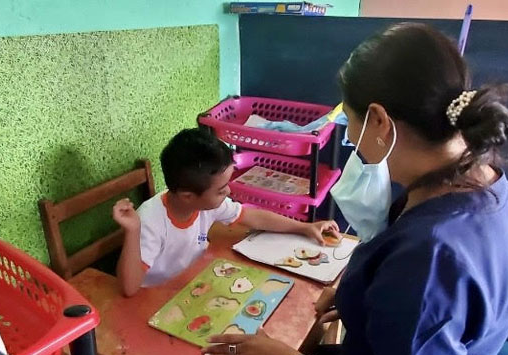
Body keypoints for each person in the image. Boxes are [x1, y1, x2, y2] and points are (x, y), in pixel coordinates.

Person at [201, 22, 508, 355]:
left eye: (349, 122)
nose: (350, 137)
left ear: (378, 121)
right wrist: (366, 300)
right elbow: (441, 318)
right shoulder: (484, 181)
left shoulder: (430, 256)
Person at [112, 127, 338, 297]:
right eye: (221, 190)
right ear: (188, 196)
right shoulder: (150, 221)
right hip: (155, 296)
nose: (228, 191)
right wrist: (133, 231)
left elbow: (253, 216)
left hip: (193, 282)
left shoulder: (205, 203)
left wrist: (305, 227)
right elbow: (129, 289)